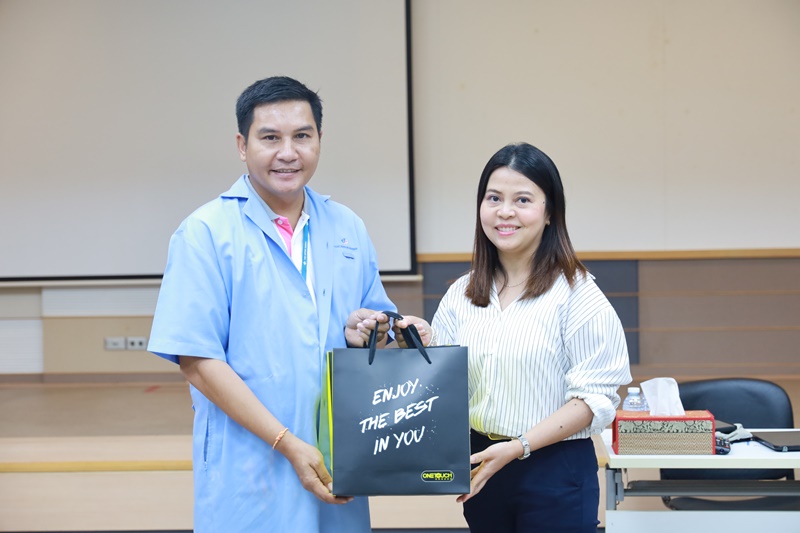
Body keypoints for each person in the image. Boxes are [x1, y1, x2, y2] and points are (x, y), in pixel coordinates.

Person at [147, 76, 398, 532]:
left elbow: (373, 328)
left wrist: (368, 331)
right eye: (270, 138)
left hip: (337, 460)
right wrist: (286, 443)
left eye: (302, 136)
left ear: (319, 140)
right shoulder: (205, 233)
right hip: (250, 466)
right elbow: (197, 360)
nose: (288, 152)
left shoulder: (347, 227)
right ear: (242, 146)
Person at [397, 142, 632, 532]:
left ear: (549, 212)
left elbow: (594, 399)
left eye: (522, 200)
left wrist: (519, 446)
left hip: (554, 469)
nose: (505, 211)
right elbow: (445, 384)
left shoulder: (578, 294)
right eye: (494, 198)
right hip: (483, 464)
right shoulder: (461, 293)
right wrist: (422, 342)